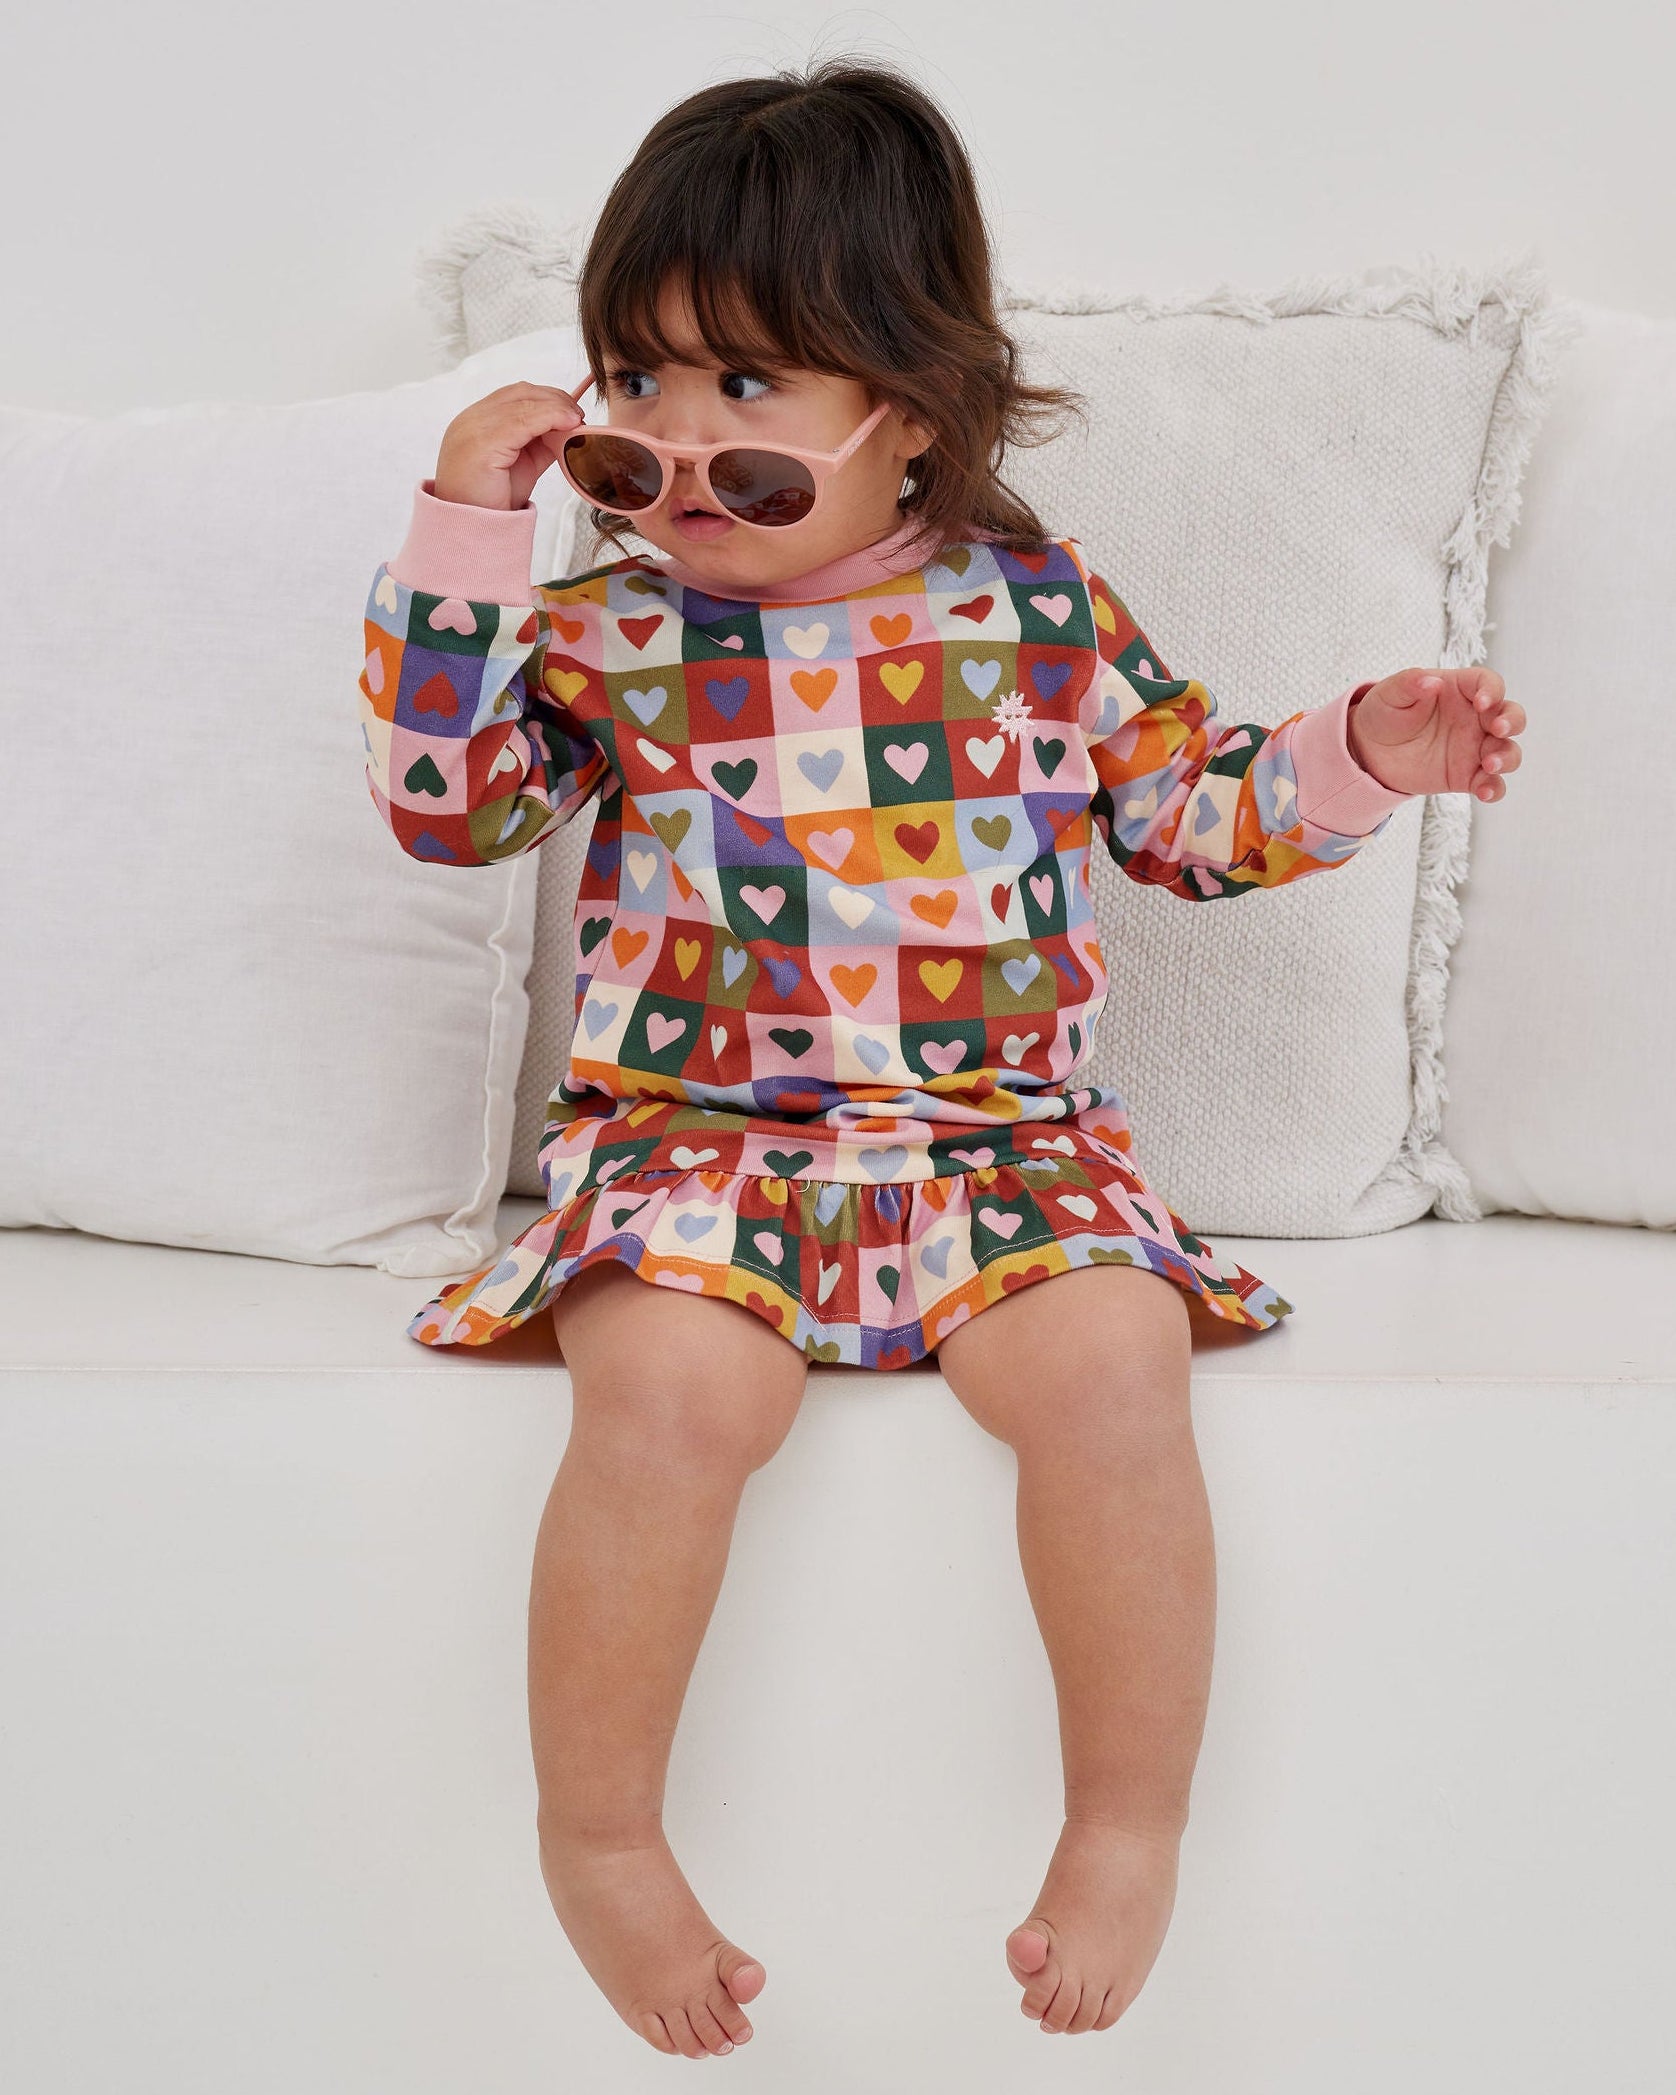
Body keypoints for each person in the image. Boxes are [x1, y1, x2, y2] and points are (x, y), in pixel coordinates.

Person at [357, 58, 1524, 2061]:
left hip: (999, 1146)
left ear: (900, 408)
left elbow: (1189, 814)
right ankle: (602, 1832)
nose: (672, 445)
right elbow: (444, 809)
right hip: (700, 1142)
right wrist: (464, 525)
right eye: (632, 387)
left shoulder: (1032, 618)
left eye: (744, 394)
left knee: (1110, 1367)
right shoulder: (604, 634)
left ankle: (1127, 1821)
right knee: (663, 1396)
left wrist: (1359, 754)